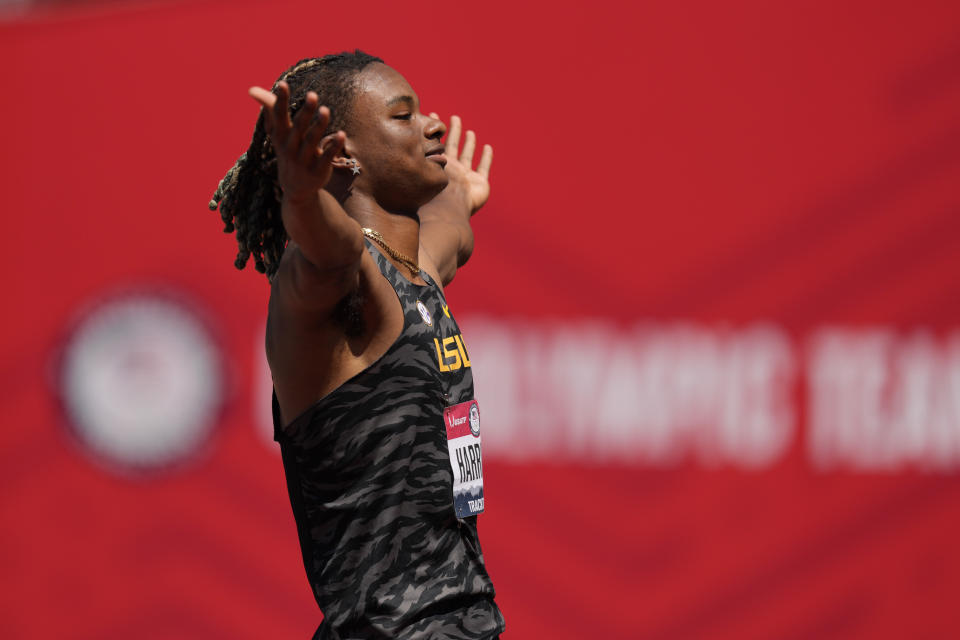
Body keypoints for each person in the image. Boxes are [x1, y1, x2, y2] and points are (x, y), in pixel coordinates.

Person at [209, 51, 504, 639]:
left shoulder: (415, 270)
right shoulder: (328, 282)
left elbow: (452, 232)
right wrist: (302, 197)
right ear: (344, 153)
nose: (432, 125)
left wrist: (462, 194)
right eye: (403, 115)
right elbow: (330, 247)